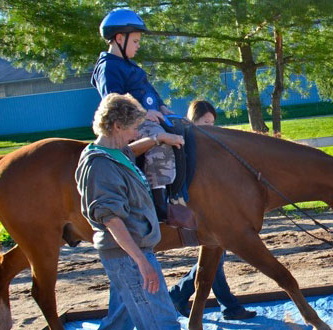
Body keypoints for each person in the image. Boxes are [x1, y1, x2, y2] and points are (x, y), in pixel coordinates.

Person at [75, 93, 182, 329]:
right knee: (162, 322)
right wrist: (142, 262)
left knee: (134, 319)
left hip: (133, 253)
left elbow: (130, 152)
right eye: (134, 128)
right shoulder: (100, 165)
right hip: (129, 256)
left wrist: (157, 139)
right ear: (117, 125)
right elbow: (112, 220)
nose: (136, 133)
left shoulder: (115, 153)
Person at [168, 100, 257, 320]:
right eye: (204, 123)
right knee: (214, 257)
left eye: (212, 123)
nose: (210, 128)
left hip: (216, 212)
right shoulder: (187, 147)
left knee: (214, 258)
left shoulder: (212, 147)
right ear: (192, 121)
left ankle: (180, 295)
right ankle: (227, 306)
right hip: (198, 212)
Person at [91, 8, 181, 225]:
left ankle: (182, 189)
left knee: (184, 126)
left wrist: (162, 106)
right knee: (160, 144)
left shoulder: (129, 65)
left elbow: (148, 90)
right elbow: (114, 103)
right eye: (136, 41)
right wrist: (143, 113)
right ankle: (160, 204)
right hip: (129, 124)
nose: (138, 45)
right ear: (119, 38)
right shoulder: (108, 67)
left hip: (149, 116)